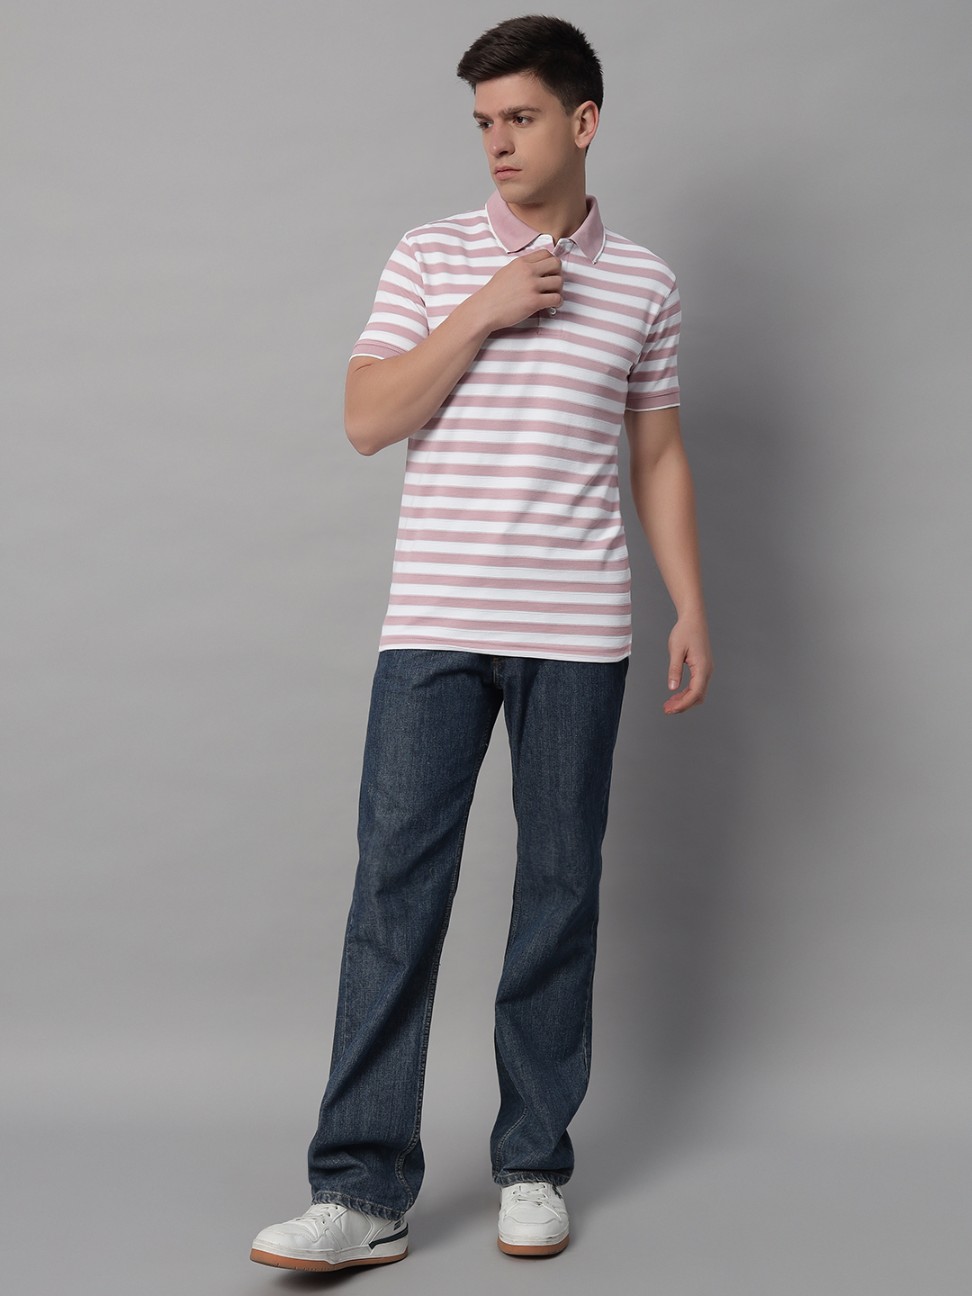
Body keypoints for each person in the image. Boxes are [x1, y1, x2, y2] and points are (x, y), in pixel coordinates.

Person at [250, 13, 713, 1273]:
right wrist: (485, 311)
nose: (498, 143)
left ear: (584, 121)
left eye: (520, 118)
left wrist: (691, 602)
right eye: (483, 124)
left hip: (580, 630)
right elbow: (367, 418)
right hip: (437, 625)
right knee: (393, 896)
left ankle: (532, 1166)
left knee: (559, 892)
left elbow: (657, 453)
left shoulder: (646, 283)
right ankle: (360, 1191)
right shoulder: (430, 255)